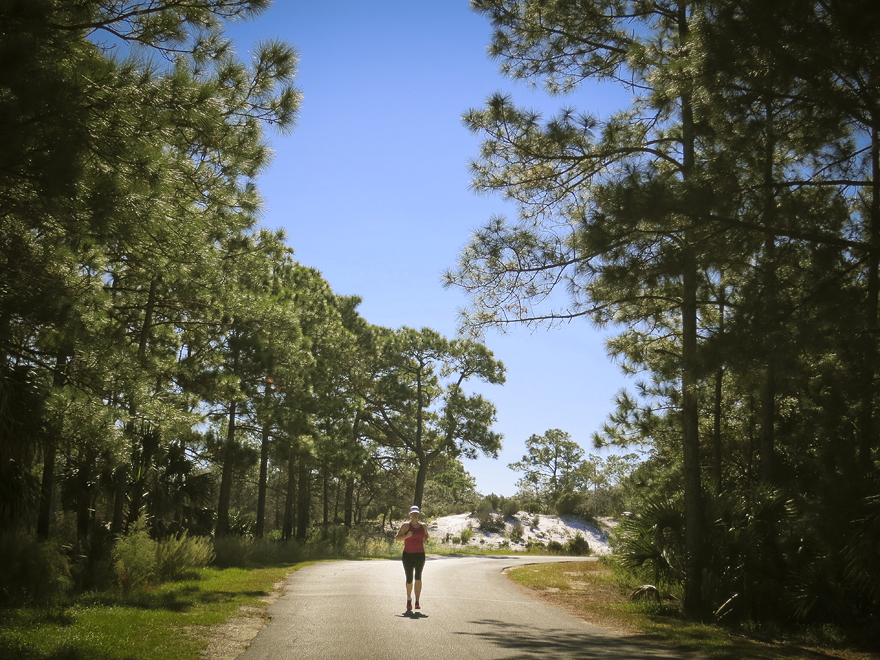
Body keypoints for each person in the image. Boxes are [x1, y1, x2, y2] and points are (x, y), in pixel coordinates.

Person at [395, 505, 428, 611]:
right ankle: (409, 599)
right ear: (410, 514)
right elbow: (397, 538)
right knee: (409, 578)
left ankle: (417, 601)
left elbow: (426, 536)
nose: (414, 515)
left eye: (416, 513)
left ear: (419, 514)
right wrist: (406, 536)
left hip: (420, 554)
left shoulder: (423, 526)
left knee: (418, 577)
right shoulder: (406, 525)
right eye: (413, 513)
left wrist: (425, 540)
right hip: (408, 555)